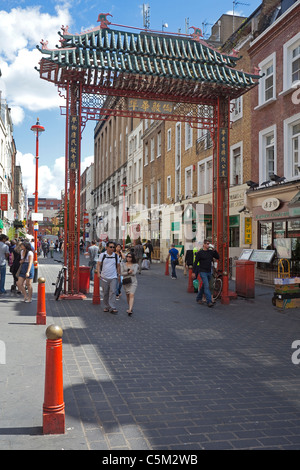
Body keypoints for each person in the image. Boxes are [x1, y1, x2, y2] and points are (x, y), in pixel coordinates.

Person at [192, 239, 220, 308]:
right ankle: (209, 301)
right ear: (204, 245)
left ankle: (198, 298)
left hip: (209, 271)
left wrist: (214, 250)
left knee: (204, 286)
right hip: (202, 271)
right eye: (207, 244)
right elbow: (195, 263)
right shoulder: (200, 253)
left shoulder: (210, 252)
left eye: (209, 244)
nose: (208, 245)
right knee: (207, 286)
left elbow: (217, 257)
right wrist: (193, 272)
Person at [96, 241, 120, 314]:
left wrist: (119, 274)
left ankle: (112, 307)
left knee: (113, 291)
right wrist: (98, 273)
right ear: (106, 247)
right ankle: (107, 306)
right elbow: (99, 264)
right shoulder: (102, 255)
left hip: (113, 277)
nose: (112, 248)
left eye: (113, 247)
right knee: (105, 292)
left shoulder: (116, 256)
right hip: (104, 276)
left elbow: (118, 266)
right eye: (111, 247)